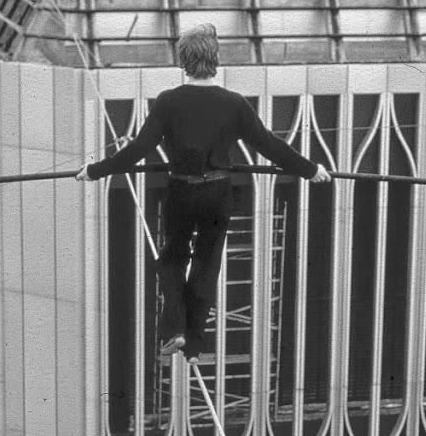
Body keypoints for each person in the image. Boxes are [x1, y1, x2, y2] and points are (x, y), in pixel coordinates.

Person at [77, 23, 331, 362]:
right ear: (216, 59)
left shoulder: (168, 102)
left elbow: (137, 150)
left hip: (181, 191)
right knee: (206, 265)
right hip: (217, 192)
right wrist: (310, 169)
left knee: (172, 259)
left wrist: (94, 171)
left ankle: (175, 330)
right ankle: (194, 344)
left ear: (183, 61)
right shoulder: (234, 103)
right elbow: (269, 145)